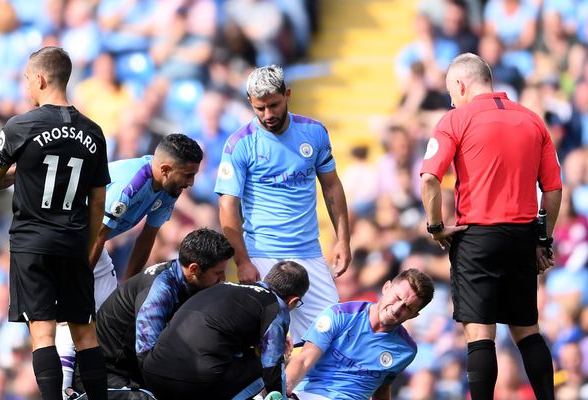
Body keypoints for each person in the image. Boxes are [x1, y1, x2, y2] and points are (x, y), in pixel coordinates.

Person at [420, 52, 562, 400]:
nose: (451, 99)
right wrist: (543, 239)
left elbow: (428, 179)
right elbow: (554, 189)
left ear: (461, 85)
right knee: (527, 330)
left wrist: (436, 226)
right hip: (522, 235)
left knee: (480, 335)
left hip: (477, 236)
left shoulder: (454, 120)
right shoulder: (532, 120)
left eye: (451, 91)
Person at [0, 46, 109, 400]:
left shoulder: (21, 125)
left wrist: (20, 170)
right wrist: (88, 244)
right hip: (73, 240)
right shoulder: (94, 132)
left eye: (26, 79)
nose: (26, 86)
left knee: (42, 334)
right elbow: (98, 199)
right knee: (85, 333)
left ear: (39, 79)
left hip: (31, 243)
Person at [55, 132, 202, 397]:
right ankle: (62, 390)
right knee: (75, 313)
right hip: (66, 240)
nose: (191, 183)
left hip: (87, 243)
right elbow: (97, 236)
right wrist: (75, 289)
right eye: (188, 175)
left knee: (114, 313)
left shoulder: (169, 187)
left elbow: (147, 237)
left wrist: (127, 291)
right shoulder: (131, 184)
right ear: (166, 169)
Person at [215, 64, 351, 340]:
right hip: (262, 255)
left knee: (330, 336)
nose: (268, 115)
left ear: (287, 94)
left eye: (274, 105)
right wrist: (242, 261)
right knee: (265, 341)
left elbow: (332, 186)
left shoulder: (314, 133)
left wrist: (343, 240)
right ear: (250, 103)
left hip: (309, 253)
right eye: (260, 108)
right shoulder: (240, 143)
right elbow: (227, 206)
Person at [142, 260, 309, 400]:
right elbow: (271, 366)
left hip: (153, 374)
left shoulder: (225, 287)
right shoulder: (276, 308)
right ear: (293, 300)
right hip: (190, 383)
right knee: (260, 366)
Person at [92, 228, 233, 392]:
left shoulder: (188, 280)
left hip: (135, 369)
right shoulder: (160, 290)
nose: (223, 279)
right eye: (218, 273)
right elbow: (148, 358)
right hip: (112, 374)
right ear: (194, 269)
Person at [285, 269, 435, 399]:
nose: (396, 309)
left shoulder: (406, 350)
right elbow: (304, 360)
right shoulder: (339, 315)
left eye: (407, 308)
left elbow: (381, 390)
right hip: (307, 394)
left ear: (414, 315)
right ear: (386, 287)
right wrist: (281, 391)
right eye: (397, 298)